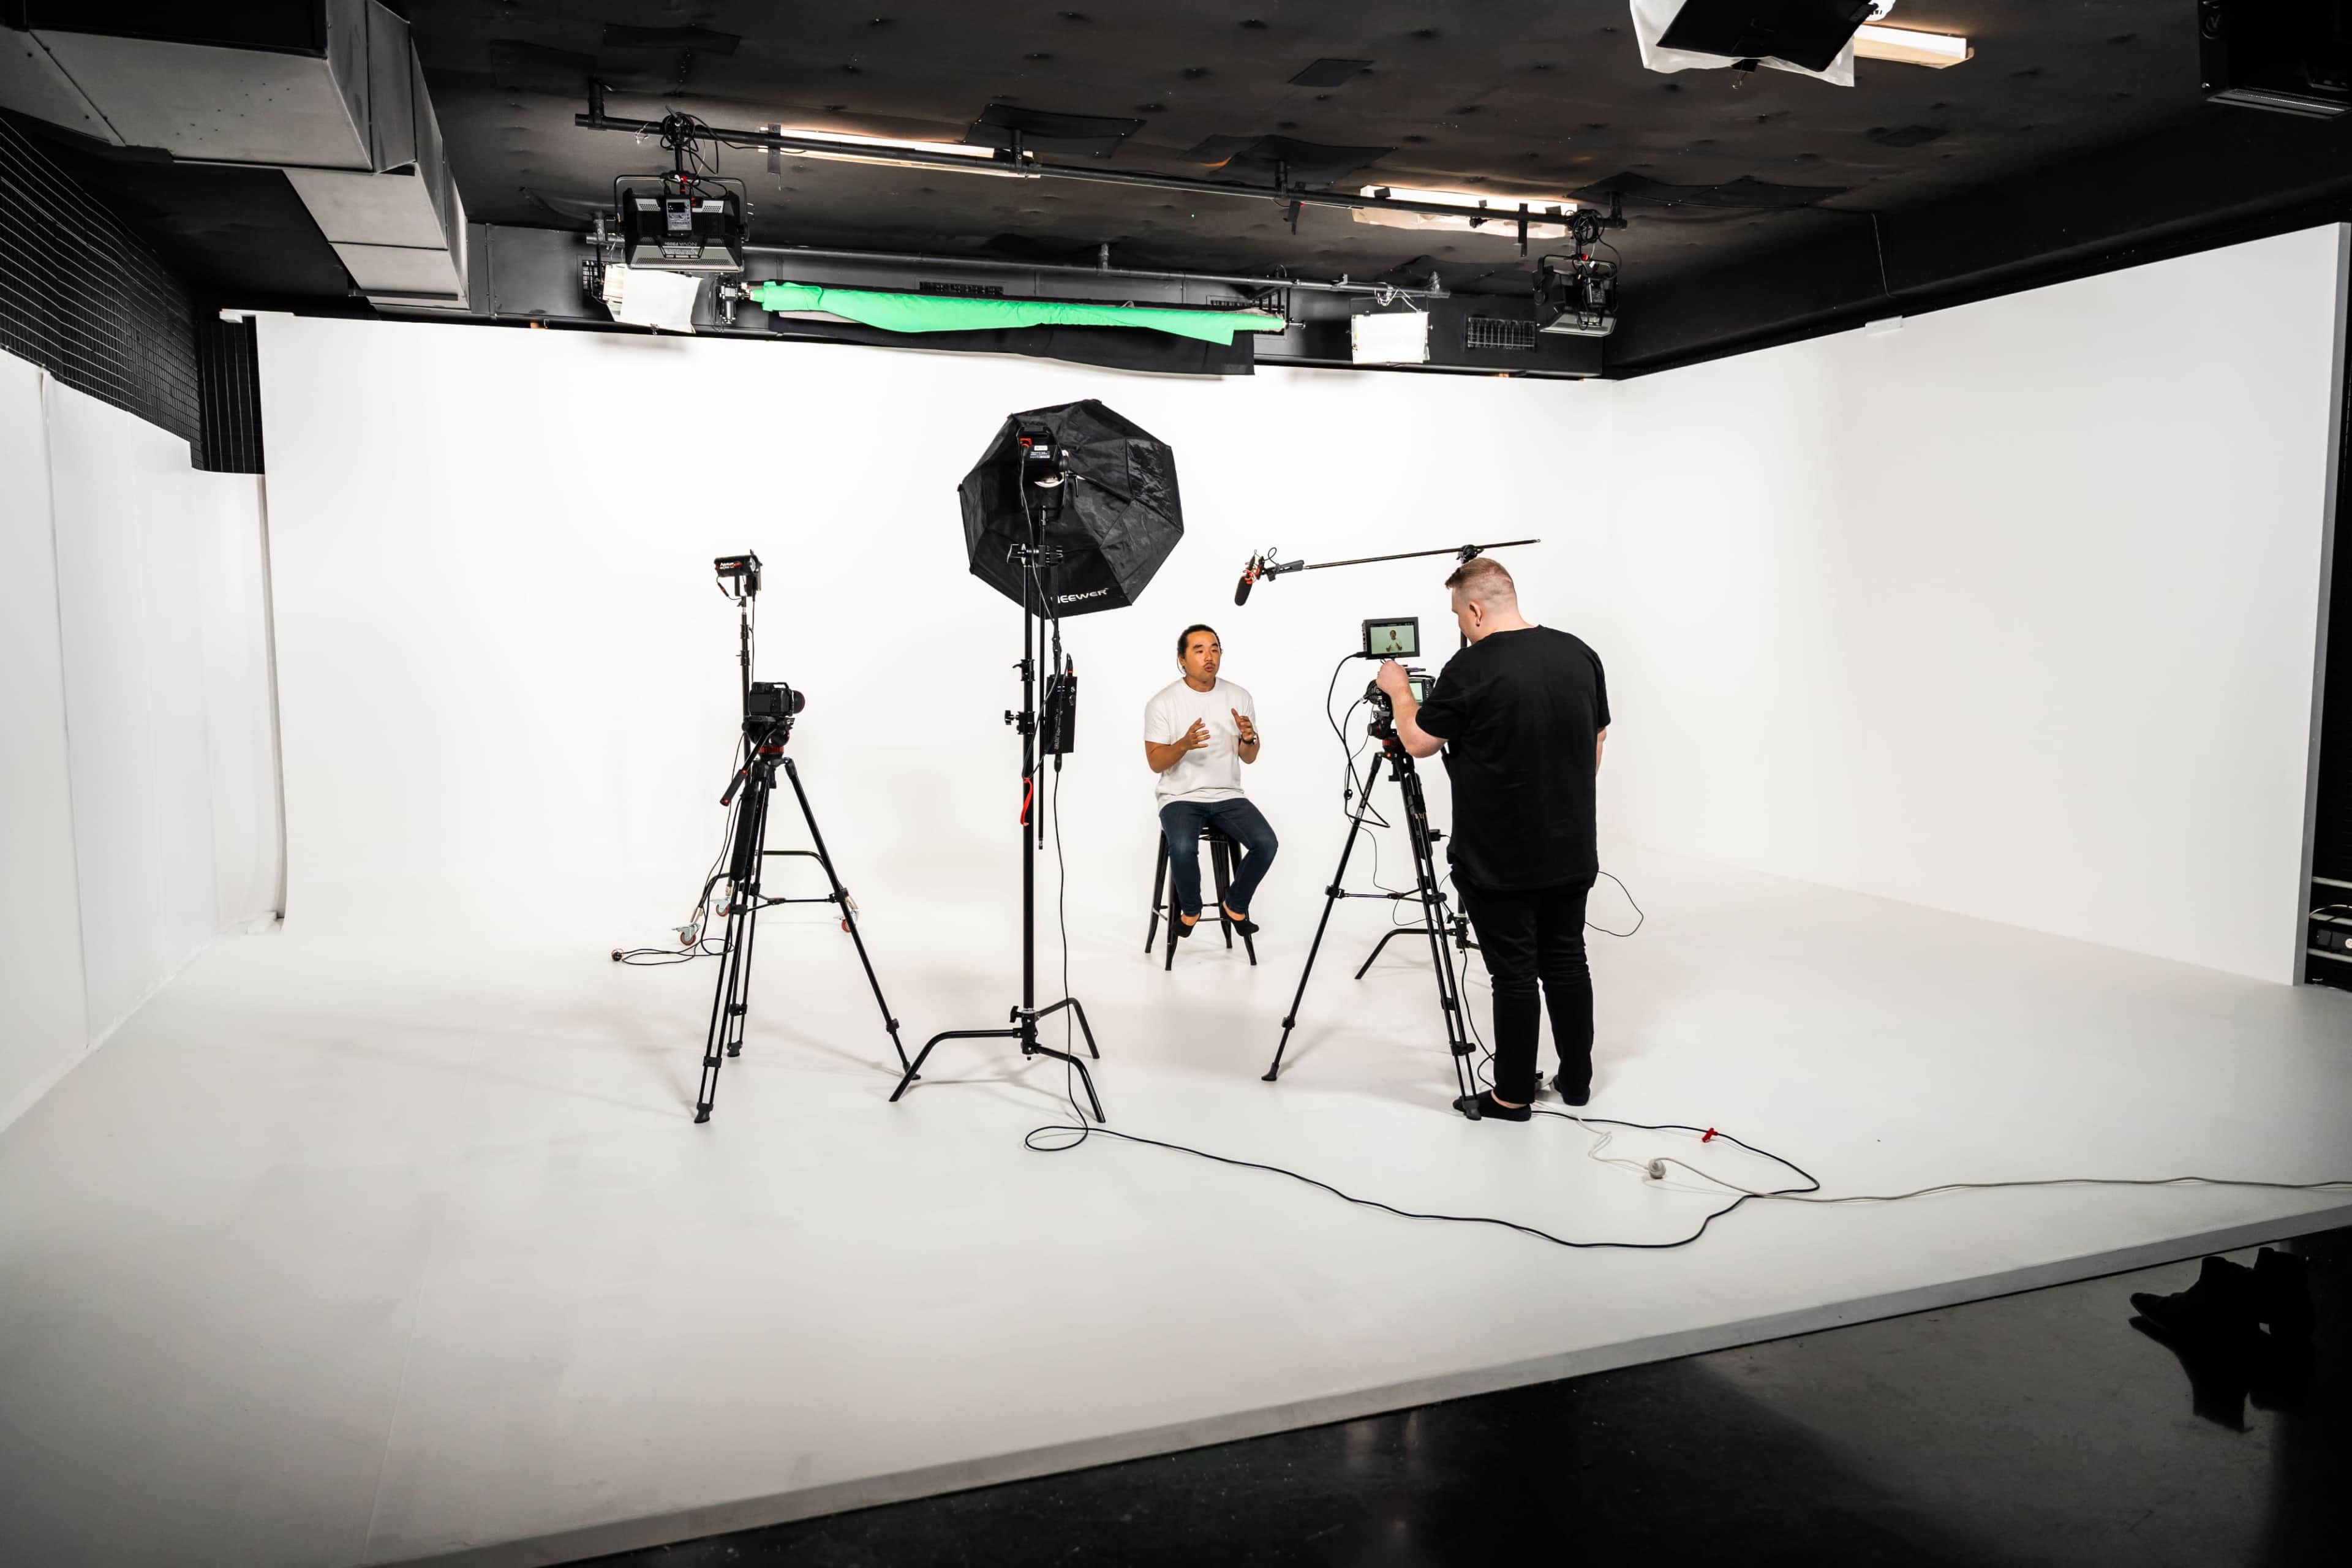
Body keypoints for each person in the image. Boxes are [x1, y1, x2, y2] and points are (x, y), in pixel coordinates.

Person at [1374, 559, 1608, 1122]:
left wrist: (1400, 690)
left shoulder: (1470, 667)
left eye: (1460, 614)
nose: (1462, 624)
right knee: (1568, 961)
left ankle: (1511, 1097)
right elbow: (1596, 737)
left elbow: (1419, 742)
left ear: (1475, 609)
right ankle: (1576, 1083)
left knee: (1514, 973)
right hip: (1571, 846)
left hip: (1501, 858)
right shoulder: (1579, 653)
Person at [1144, 624, 1279, 938]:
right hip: (1180, 796)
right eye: (1200, 650)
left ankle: (1235, 903)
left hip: (1228, 795)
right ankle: (1190, 909)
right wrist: (1183, 745)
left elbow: (1249, 757)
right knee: (1183, 845)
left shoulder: (1239, 696)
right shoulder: (1163, 703)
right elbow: (1155, 762)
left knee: (1266, 844)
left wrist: (1250, 737)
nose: (1209, 656)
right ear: (1182, 659)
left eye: (1215, 649)